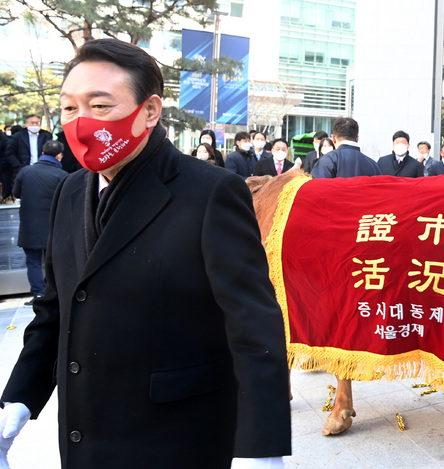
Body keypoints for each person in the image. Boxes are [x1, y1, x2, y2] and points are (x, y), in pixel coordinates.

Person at [0, 39, 291, 468]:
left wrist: (260, 449)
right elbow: (56, 310)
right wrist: (17, 402)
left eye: (99, 107)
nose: (80, 123)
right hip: (85, 438)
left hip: (177, 439)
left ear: (150, 111)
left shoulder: (210, 193)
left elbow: (253, 325)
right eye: (68, 108)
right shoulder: (70, 189)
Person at [12, 140, 68, 306]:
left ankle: (38, 293)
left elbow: (16, 193)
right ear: (59, 155)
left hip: (30, 225)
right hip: (54, 226)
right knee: (55, 260)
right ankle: (53, 293)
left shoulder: (25, 171)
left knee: (33, 261)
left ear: (42, 153)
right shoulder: (62, 175)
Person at [3, 115, 53, 201]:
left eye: (37, 123)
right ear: (26, 124)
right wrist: (18, 166)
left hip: (42, 170)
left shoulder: (46, 136)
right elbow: (9, 153)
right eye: (32, 123)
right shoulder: (18, 136)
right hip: (23, 169)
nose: (35, 125)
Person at [311, 117, 380, 178]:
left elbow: (318, 189)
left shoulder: (327, 161)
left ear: (333, 138)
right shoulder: (373, 165)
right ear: (357, 139)